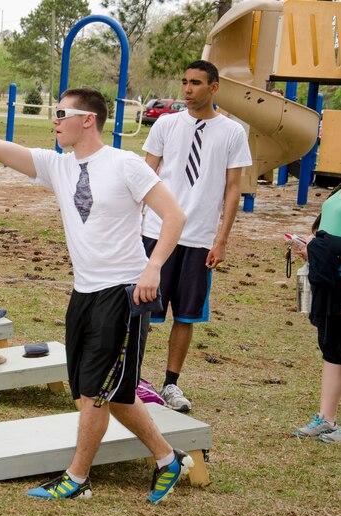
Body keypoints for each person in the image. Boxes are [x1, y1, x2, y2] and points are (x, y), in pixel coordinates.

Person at [0, 77, 190, 502]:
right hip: (84, 293)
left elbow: (174, 216)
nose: (54, 121)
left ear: (87, 120)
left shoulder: (126, 163)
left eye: (61, 114)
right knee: (103, 391)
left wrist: (152, 270)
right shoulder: (59, 166)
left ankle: (77, 480)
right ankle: (168, 459)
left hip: (123, 292)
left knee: (95, 392)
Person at [141, 60, 252, 412]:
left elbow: (233, 190)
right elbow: (145, 175)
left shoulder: (233, 133)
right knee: (140, 309)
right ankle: (132, 378)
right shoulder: (166, 124)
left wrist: (221, 239)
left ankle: (171, 385)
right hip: (156, 232)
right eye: (185, 81)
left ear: (214, 88)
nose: (188, 89)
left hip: (200, 238)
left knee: (186, 315)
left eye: (197, 83)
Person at [291, 185, 341, 444]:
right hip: (332, 280)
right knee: (332, 348)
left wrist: (320, 248)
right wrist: (313, 248)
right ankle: (326, 419)